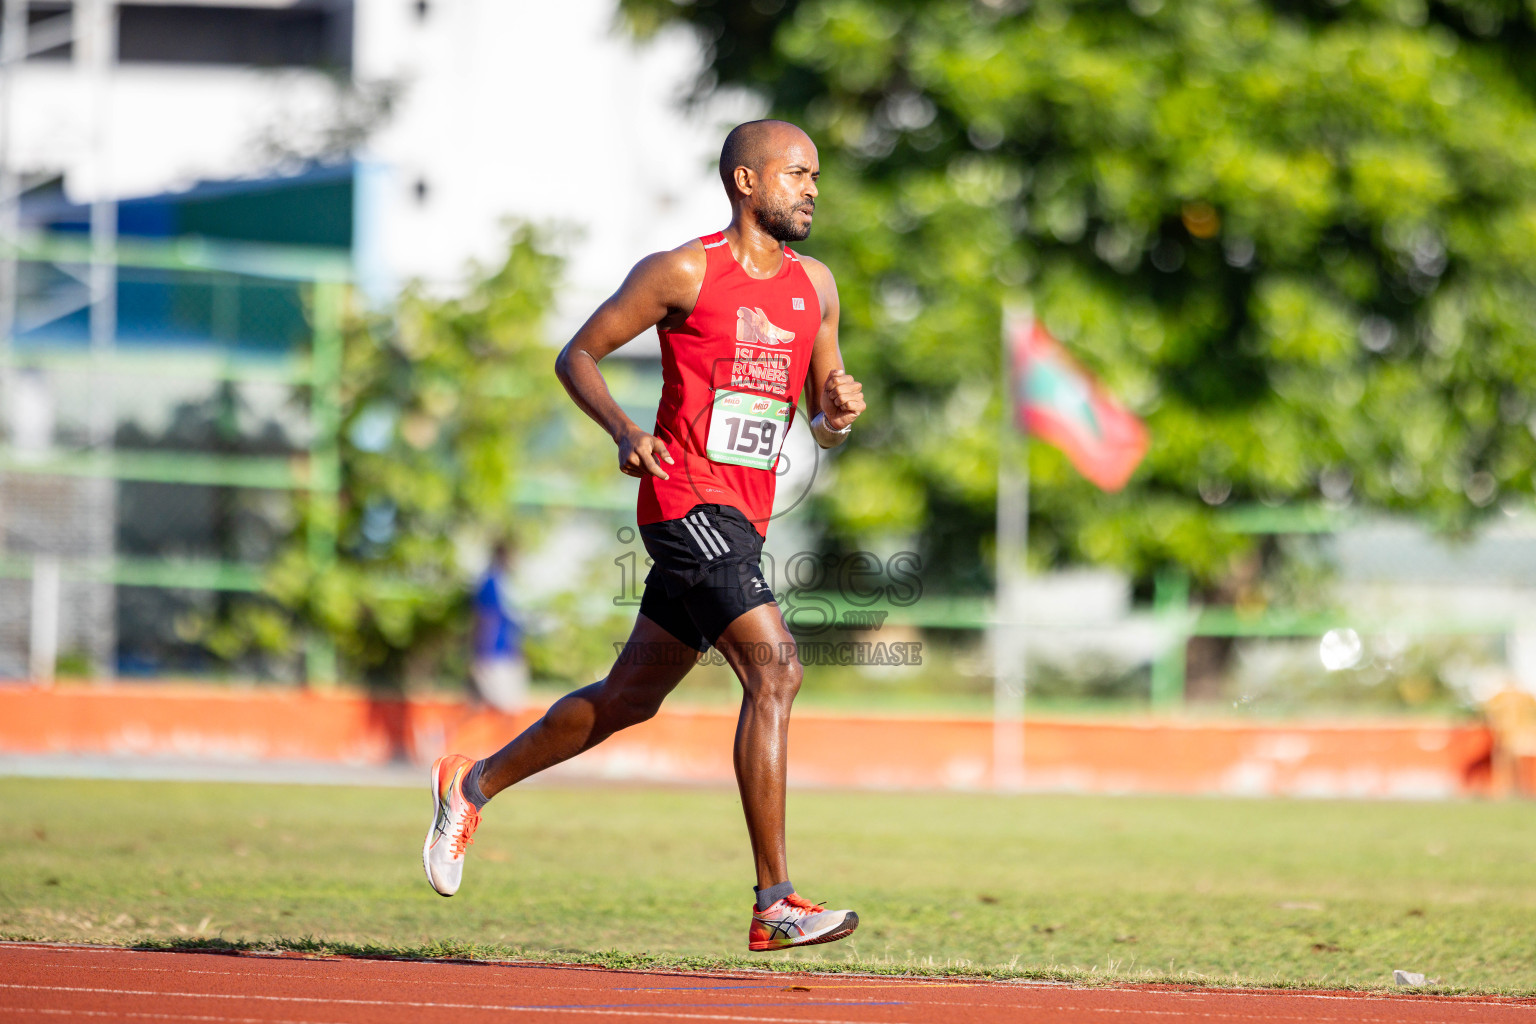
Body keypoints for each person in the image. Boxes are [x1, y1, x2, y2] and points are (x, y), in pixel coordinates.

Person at [422, 120, 867, 952]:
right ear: (745, 181)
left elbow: (821, 415)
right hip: (682, 503)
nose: (812, 188)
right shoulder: (684, 271)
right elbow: (578, 354)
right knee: (778, 672)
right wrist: (626, 430)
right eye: (797, 174)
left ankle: (471, 783)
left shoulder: (818, 287)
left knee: (629, 699)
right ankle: (775, 901)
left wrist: (835, 414)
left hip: (743, 519)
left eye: (816, 176)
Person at [468, 541, 529, 712]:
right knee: (501, 709)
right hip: (494, 655)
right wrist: (482, 652)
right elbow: (486, 618)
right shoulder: (491, 583)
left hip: (505, 653)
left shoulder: (505, 584)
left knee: (503, 708)